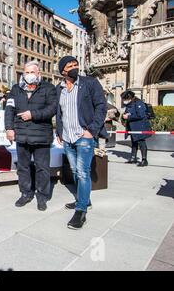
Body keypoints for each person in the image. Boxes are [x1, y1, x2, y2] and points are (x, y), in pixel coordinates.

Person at [56, 56, 107, 230]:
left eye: (75, 64)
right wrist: (59, 132)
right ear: (62, 70)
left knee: (83, 172)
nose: (74, 67)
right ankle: (85, 199)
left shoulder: (89, 83)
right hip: (67, 137)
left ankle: (81, 211)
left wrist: (91, 130)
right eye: (69, 65)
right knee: (75, 171)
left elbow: (101, 106)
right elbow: (59, 112)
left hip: (84, 136)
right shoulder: (59, 89)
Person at [5, 60, 57, 211]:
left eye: (32, 72)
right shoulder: (15, 89)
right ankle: (26, 193)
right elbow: (9, 110)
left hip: (41, 136)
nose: (29, 75)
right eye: (26, 72)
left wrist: (32, 114)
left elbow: (52, 109)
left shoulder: (48, 88)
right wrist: (9, 128)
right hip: (22, 135)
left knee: (42, 168)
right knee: (23, 167)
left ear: (38, 73)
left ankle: (42, 196)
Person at [121, 90, 151, 167]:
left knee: (141, 143)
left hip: (140, 126)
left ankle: (144, 160)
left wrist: (129, 116)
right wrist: (124, 116)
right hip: (132, 127)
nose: (124, 101)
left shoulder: (139, 103)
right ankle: (133, 157)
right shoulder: (130, 104)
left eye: (125, 99)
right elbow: (127, 113)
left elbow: (141, 115)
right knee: (134, 143)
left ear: (130, 98)